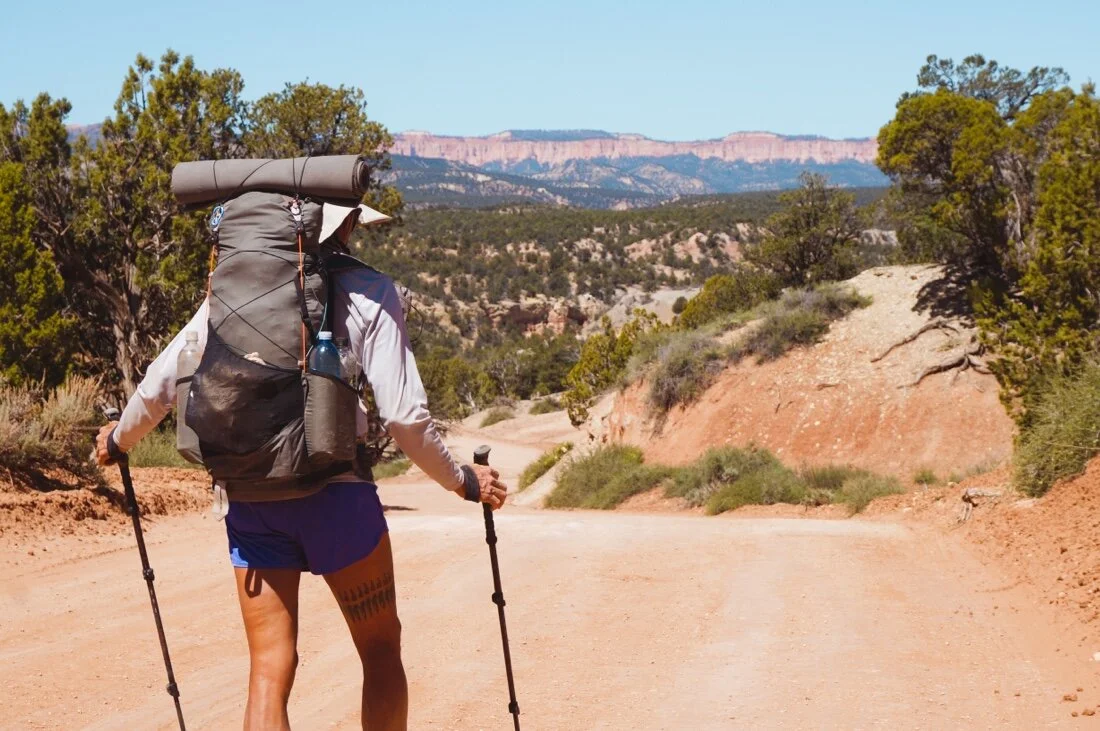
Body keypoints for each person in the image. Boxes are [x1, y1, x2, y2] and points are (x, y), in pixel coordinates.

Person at [95, 202, 509, 731]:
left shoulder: (235, 289)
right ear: (348, 224)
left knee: (268, 668)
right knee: (380, 649)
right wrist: (462, 481)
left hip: (251, 497)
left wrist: (118, 440)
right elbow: (404, 417)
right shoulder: (369, 290)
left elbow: (159, 382)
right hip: (337, 499)